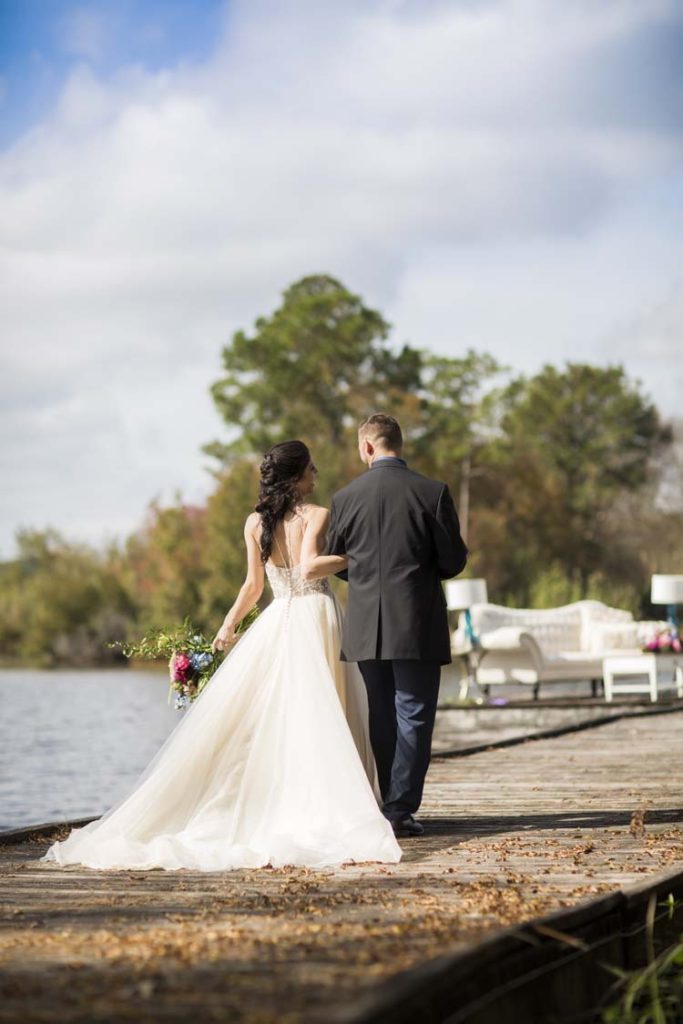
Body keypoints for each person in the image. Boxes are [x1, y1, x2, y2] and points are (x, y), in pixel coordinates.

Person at [41, 441, 401, 871]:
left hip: (278, 615)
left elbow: (252, 586)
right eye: (311, 469)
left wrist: (227, 626)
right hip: (314, 614)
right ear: (296, 475)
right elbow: (309, 567)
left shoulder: (255, 522)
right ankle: (324, 800)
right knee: (322, 709)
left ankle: (275, 796)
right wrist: (359, 556)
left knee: (278, 711)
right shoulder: (318, 515)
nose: (316, 474)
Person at [326, 414, 468, 837]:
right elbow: (454, 560)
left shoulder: (345, 498)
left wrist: (370, 581)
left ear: (367, 447)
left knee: (382, 715)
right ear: (396, 444)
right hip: (417, 621)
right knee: (415, 715)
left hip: (367, 622)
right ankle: (400, 808)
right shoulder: (433, 492)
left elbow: (338, 560)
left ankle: (393, 802)